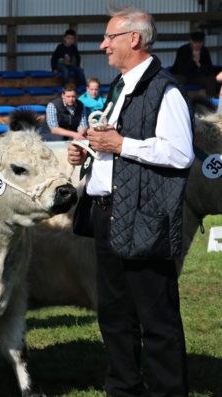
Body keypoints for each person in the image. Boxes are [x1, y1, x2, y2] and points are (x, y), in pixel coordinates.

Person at [67, 7, 192, 397]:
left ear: (133, 39)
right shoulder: (119, 87)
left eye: (109, 37)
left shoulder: (164, 89)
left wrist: (121, 144)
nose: (103, 45)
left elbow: (181, 153)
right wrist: (89, 150)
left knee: (156, 317)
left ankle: (169, 390)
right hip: (107, 214)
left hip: (143, 217)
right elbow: (118, 147)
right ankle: (123, 388)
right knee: (115, 316)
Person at [171, 31, 217, 97]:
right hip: (184, 76)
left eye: (200, 43)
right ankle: (179, 100)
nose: (198, 45)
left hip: (198, 77)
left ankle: (210, 100)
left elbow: (209, 70)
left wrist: (198, 63)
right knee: (178, 79)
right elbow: (180, 69)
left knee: (211, 79)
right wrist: (192, 60)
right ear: (191, 41)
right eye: (195, 42)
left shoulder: (204, 51)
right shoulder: (182, 50)